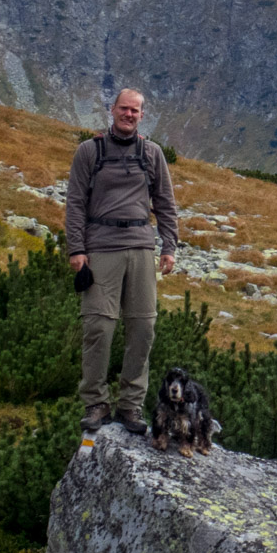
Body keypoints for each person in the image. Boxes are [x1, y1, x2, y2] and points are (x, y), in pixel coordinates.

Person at [64, 88, 178, 433]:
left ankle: (131, 407)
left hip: (141, 247)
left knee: (142, 329)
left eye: (135, 110)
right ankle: (96, 403)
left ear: (142, 115)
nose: (129, 114)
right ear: (112, 110)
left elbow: (165, 202)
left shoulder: (152, 153)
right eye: (124, 108)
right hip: (101, 247)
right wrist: (76, 249)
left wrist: (169, 246)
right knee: (99, 327)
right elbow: (75, 204)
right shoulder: (89, 152)